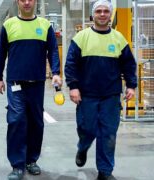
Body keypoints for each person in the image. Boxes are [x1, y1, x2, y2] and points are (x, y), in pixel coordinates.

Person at [65, 1, 137, 180]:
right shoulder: (81, 37)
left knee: (108, 134)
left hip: (110, 96)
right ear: (93, 15)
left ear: (110, 15)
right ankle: (83, 147)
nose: (103, 14)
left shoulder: (119, 39)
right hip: (86, 95)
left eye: (106, 11)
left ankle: (105, 171)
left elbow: (128, 64)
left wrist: (131, 85)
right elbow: (71, 64)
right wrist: (73, 86)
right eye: (99, 11)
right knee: (87, 129)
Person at [0, 0, 62, 179]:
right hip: (15, 83)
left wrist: (55, 72)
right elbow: (1, 53)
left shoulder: (45, 25)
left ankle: (31, 160)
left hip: (37, 82)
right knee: (16, 120)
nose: (26, 2)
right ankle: (17, 165)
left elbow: (53, 51)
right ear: (18, 2)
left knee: (36, 122)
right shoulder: (8, 25)